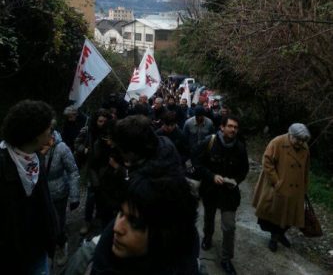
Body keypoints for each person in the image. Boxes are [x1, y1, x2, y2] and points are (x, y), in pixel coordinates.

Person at [63, 166, 200, 275]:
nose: (117, 227)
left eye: (134, 223)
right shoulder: (86, 261)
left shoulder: (190, 267)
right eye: (120, 213)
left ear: (165, 234)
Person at [0, 99, 58, 275]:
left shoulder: (34, 159)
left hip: (37, 253)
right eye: (49, 130)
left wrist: (54, 235)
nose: (52, 136)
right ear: (35, 136)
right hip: (10, 259)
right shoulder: (2, 165)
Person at [194, 115, 249, 275]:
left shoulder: (240, 147)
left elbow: (244, 170)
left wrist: (236, 180)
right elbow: (197, 163)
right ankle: (208, 236)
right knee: (209, 217)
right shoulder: (209, 143)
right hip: (210, 190)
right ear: (222, 127)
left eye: (235, 127)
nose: (233, 130)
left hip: (229, 193)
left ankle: (226, 259)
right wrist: (211, 176)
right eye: (230, 126)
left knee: (229, 226)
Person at [252, 123, 311, 252]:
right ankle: (274, 237)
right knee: (274, 214)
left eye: (302, 141)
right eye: (298, 140)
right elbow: (267, 161)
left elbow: (306, 169)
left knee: (291, 215)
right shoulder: (277, 142)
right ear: (291, 135)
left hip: (296, 188)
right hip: (278, 185)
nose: (300, 143)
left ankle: (280, 234)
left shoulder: (304, 147)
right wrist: (276, 181)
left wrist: (305, 187)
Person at [41, 125, 80, 266]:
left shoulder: (62, 148)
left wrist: (75, 196)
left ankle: (61, 246)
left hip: (58, 193)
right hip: (40, 194)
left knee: (58, 223)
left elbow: (73, 171)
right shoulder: (33, 147)